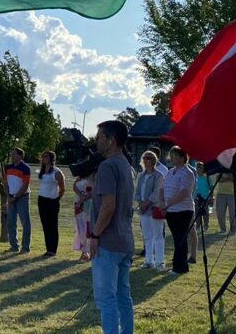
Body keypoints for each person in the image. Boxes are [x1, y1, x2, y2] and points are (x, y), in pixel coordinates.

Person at [90, 120, 136, 334]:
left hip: (108, 242)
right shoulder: (126, 165)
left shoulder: (108, 166)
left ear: (111, 140)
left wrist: (94, 234)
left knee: (106, 299)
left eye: (100, 136)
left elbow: (108, 206)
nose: (96, 140)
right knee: (122, 296)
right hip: (125, 240)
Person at [159, 146, 195, 275]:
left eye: (175, 155)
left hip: (183, 210)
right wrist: (162, 203)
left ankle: (180, 267)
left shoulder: (187, 173)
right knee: (176, 238)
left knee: (181, 238)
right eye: (171, 155)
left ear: (182, 157)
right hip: (170, 210)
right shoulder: (170, 172)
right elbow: (162, 188)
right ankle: (178, 265)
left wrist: (167, 204)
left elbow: (184, 192)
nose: (172, 158)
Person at [135, 150, 166, 270]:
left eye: (148, 158)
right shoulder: (142, 175)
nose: (145, 160)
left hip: (154, 208)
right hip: (143, 210)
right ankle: (149, 261)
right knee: (147, 236)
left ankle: (160, 262)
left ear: (153, 160)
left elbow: (157, 192)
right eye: (144, 158)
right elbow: (137, 192)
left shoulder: (159, 175)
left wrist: (147, 203)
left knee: (158, 236)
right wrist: (140, 203)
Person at [37, 150, 66, 257]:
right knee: (45, 225)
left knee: (52, 225)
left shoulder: (56, 172)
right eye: (43, 156)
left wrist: (56, 199)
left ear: (51, 159)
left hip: (52, 201)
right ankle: (48, 248)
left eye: (46, 157)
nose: (43, 158)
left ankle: (53, 250)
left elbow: (62, 189)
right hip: (42, 199)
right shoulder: (42, 171)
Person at [5, 148, 33, 253]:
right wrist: (8, 196)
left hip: (22, 197)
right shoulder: (8, 167)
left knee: (25, 222)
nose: (12, 156)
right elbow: (6, 183)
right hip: (11, 197)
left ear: (20, 156)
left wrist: (15, 197)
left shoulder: (26, 168)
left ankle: (25, 247)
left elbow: (26, 185)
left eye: (14, 154)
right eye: (11, 154)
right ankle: (14, 246)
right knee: (11, 222)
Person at [73, 168, 95, 261]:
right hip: (79, 203)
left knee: (89, 228)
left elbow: (94, 189)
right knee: (80, 227)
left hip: (89, 204)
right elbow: (74, 187)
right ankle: (84, 251)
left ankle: (90, 251)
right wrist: (80, 197)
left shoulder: (93, 176)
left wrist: (85, 198)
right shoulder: (80, 176)